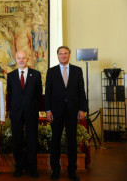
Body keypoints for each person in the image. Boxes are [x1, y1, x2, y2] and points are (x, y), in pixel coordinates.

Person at [45, 46, 87, 181]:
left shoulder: (77, 70)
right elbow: (48, 93)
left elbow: (81, 92)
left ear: (69, 55)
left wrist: (82, 109)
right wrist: (48, 110)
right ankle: (55, 171)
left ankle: (72, 171)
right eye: (61, 53)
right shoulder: (51, 72)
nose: (63, 56)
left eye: (65, 53)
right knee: (55, 141)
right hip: (56, 112)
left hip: (72, 111)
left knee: (72, 142)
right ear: (57, 55)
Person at [6, 50, 42, 178]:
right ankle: (19, 168)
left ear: (27, 59)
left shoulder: (36, 74)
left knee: (32, 141)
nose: (21, 60)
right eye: (19, 58)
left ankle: (33, 169)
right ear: (15, 59)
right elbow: (10, 94)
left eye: (23, 58)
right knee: (17, 142)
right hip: (16, 114)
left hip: (31, 113)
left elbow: (38, 94)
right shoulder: (10, 76)